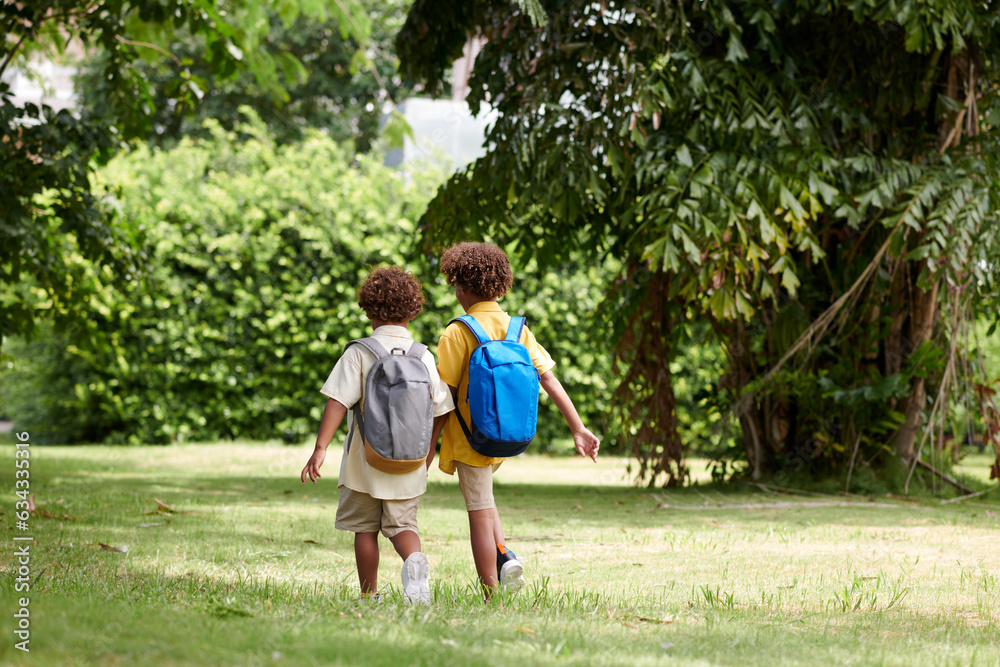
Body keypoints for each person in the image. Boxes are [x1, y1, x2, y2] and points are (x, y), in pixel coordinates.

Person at [435, 242, 600, 600]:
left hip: (471, 438)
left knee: (477, 511)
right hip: (504, 432)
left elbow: (441, 397)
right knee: (485, 499)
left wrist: (426, 444)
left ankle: (491, 591)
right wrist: (578, 427)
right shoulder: (517, 328)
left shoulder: (457, 331)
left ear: (460, 286)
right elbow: (549, 379)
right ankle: (505, 556)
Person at [300, 267, 454, 604]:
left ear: (369, 309)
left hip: (363, 463)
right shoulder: (424, 356)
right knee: (403, 526)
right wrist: (427, 454)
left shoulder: (360, 352)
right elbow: (442, 409)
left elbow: (337, 401)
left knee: (365, 529)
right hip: (410, 461)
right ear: (413, 310)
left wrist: (320, 448)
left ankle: (369, 594)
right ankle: (415, 565)